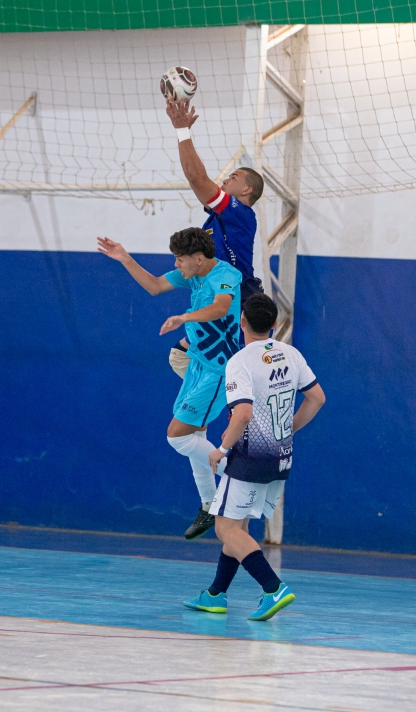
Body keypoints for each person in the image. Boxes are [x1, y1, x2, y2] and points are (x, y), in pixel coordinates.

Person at [184, 293, 325, 621]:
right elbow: (317, 398)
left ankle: (273, 588)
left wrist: (222, 449)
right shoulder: (291, 354)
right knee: (239, 525)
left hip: (249, 459)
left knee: (225, 528)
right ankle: (216, 594)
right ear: (274, 324)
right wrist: (288, 429)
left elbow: (243, 414)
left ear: (242, 322)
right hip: (280, 457)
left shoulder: (240, 361)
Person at [97, 228, 242, 539]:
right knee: (195, 436)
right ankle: (209, 504)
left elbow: (221, 307)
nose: (176, 264)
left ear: (199, 259)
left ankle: (241, 475)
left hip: (219, 370)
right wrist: (125, 258)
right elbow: (155, 286)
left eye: (180, 259)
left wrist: (183, 318)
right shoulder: (192, 275)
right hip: (198, 366)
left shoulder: (226, 274)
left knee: (177, 437)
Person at [165, 97, 265, 379]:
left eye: (233, 177)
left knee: (240, 375)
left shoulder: (241, 213)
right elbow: (194, 179)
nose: (224, 180)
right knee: (181, 357)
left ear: (246, 190)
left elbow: (198, 179)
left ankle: (229, 401)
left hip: (237, 302)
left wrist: (182, 131)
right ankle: (210, 402)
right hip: (214, 298)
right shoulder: (216, 219)